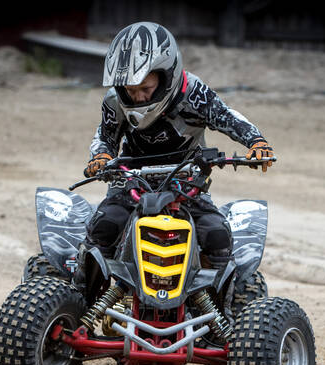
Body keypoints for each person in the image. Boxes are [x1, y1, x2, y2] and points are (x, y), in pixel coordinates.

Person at [83, 21, 274, 270]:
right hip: (130, 179)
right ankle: (82, 287)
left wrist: (256, 141)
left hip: (187, 180)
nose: (138, 97)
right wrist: (101, 156)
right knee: (104, 226)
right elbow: (106, 136)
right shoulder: (114, 101)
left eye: (145, 88)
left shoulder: (193, 93)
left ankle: (225, 292)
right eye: (130, 90)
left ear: (167, 76)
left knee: (217, 235)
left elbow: (226, 117)